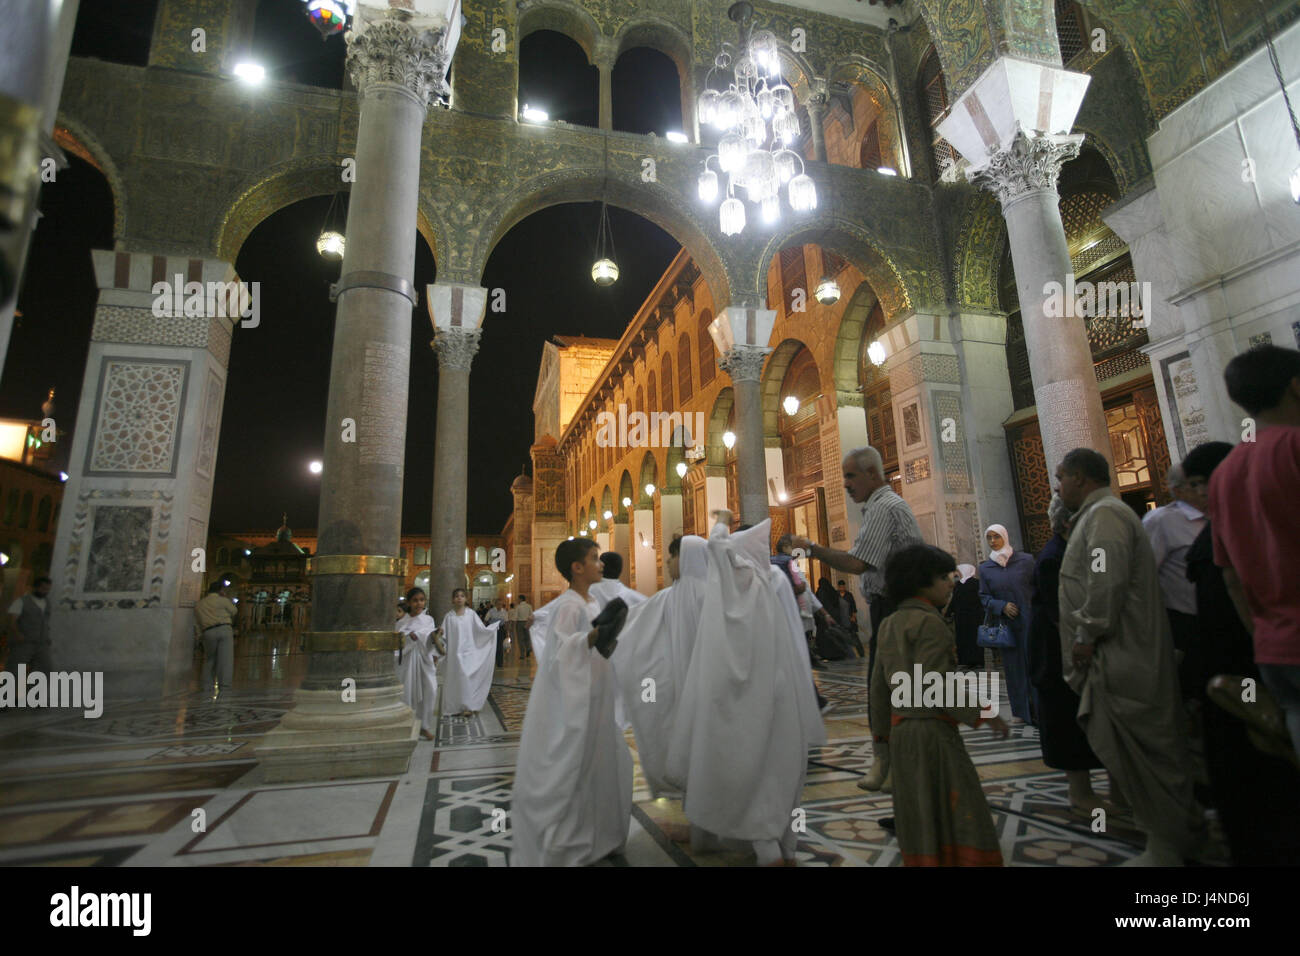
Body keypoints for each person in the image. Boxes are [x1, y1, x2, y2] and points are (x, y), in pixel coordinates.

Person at [1057, 447, 1204, 865]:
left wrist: (1087, 632)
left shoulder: (1105, 516)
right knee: (1136, 752)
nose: (1056, 485)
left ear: (1081, 478)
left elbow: (1105, 580)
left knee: (1145, 753)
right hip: (1116, 655)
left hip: (1122, 655)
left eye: (1061, 477)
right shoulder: (1097, 515)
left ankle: (1167, 845)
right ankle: (1176, 831)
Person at [665, 519, 826, 866]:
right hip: (781, 699)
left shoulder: (733, 594)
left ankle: (768, 850)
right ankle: (780, 846)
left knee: (747, 773)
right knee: (777, 774)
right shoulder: (772, 584)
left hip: (743, 707)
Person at [1184, 440, 1300, 864]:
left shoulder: (1243, 524)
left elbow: (1238, 588)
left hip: (1250, 665)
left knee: (1262, 761)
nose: (1197, 494)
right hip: (1231, 667)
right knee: (1239, 763)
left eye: (1200, 483)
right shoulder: (1223, 526)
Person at [790, 445, 924, 790]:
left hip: (897, 612)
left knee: (894, 693)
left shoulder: (883, 508)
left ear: (873, 474)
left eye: (851, 475)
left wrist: (811, 548)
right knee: (886, 692)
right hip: (891, 611)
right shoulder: (878, 507)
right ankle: (891, 770)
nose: (846, 483)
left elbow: (856, 563)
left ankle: (902, 778)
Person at [870, 543, 1009, 865]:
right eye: (945, 577)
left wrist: (881, 739)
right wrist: (986, 713)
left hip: (902, 734)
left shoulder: (889, 624)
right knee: (958, 804)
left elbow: (878, 690)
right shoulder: (930, 623)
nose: (951, 583)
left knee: (918, 808)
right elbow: (937, 683)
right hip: (933, 734)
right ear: (922, 581)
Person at [511, 538, 632, 866]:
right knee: (577, 766)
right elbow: (559, 654)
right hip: (581, 701)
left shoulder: (590, 600)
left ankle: (599, 833)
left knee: (601, 762)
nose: (601, 563)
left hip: (597, 695)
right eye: (595, 558)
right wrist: (591, 638)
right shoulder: (569, 605)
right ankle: (573, 837)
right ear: (577, 568)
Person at [1208, 345, 1300, 760]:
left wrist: (1261, 632)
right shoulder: (1294, 447)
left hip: (1274, 649)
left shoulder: (1225, 472)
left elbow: (1229, 575)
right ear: (1295, 387)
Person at [1027, 494, 1107, 817]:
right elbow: (1059, 612)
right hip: (1056, 655)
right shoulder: (1053, 557)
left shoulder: (1070, 552)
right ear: (1068, 523)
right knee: (1066, 721)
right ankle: (1080, 792)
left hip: (1065, 650)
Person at [612, 534, 708, 798]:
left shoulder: (708, 595)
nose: (667, 561)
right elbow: (635, 625)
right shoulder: (671, 597)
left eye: (674, 555)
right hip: (684, 688)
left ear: (687, 558)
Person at [1142, 462, 1208, 702]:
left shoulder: (1220, 514)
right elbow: (1143, 575)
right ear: (1177, 490)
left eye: (1205, 482)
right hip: (1184, 625)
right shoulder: (1162, 522)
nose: (1203, 491)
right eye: (1195, 484)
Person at [977, 523, 1037, 724]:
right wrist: (1001, 606)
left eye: (996, 537)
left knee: (1035, 664)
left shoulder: (1026, 561)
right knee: (1014, 669)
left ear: (1005, 537)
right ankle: (1020, 711)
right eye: (989, 538)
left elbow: (1037, 587)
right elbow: (984, 597)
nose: (993, 541)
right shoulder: (986, 568)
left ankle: (1039, 707)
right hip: (1007, 626)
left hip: (1030, 621)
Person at [440, 587, 501, 717]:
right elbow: (443, 636)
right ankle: (455, 706)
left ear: (466, 599)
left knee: (466, 678)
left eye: (462, 596)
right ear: (452, 599)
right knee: (456, 679)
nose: (459, 598)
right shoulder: (449, 617)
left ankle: (468, 706)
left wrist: (491, 630)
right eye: (456, 596)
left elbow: (481, 630)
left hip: (469, 653)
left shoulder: (471, 614)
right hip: (454, 654)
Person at [396, 587, 444, 740]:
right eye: (415, 600)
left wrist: (434, 639)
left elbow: (431, 640)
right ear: (409, 602)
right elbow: (398, 642)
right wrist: (410, 637)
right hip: (408, 663)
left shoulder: (428, 620)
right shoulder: (402, 622)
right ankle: (409, 725)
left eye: (421, 600)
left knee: (430, 690)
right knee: (409, 693)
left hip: (425, 660)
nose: (419, 603)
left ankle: (424, 726)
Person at [194, 580, 238, 699]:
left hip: (208, 632)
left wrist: (199, 635)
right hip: (224, 629)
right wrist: (226, 598)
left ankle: (207, 686)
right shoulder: (222, 600)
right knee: (226, 659)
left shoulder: (200, 604)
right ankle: (225, 686)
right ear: (220, 590)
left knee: (209, 659)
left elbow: (197, 621)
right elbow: (234, 611)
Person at [5, 575, 53, 674]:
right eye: (43, 589)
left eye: (47, 589)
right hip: (24, 642)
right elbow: (12, 621)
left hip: (41, 643)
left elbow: (45, 621)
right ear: (35, 587)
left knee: (45, 668)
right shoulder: (22, 601)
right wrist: (18, 635)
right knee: (15, 669)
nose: (45, 592)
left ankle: (33, 689)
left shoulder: (47, 603)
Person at [949, 565, 983, 668]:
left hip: (975, 617)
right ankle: (966, 661)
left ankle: (978, 661)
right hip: (961, 617)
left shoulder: (977, 583)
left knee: (975, 638)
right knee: (963, 639)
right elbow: (954, 600)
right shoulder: (957, 584)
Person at [486, 598, 510, 667]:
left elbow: (506, 622)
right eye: (498, 604)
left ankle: (500, 662)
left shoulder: (504, 612)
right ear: (495, 604)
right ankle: (492, 661)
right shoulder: (491, 611)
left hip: (501, 630)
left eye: (501, 604)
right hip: (492, 630)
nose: (499, 606)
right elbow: (486, 620)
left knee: (500, 646)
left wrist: (507, 631)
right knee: (493, 645)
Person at [512, 594, 533, 660]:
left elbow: (515, 617)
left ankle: (522, 654)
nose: (517, 600)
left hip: (520, 623)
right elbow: (531, 615)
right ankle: (528, 648)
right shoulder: (529, 606)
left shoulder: (518, 607)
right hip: (527, 622)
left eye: (518, 599)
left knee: (520, 639)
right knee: (527, 637)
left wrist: (513, 625)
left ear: (521, 599)